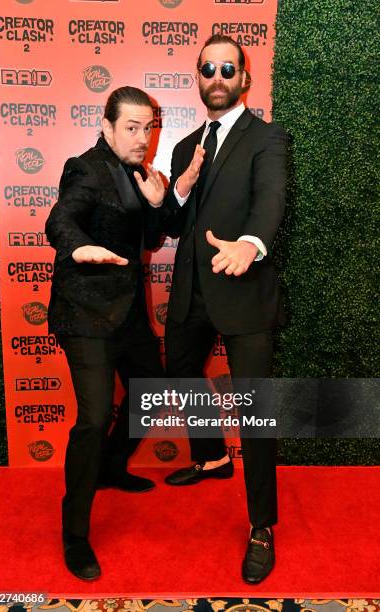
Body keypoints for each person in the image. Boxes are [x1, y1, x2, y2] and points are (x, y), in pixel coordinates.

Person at [162, 34, 288, 584]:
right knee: (179, 372)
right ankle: (212, 457)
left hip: (243, 290)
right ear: (199, 76)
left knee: (257, 413)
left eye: (227, 68)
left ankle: (262, 525)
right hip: (190, 294)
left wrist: (251, 244)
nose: (217, 76)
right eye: (208, 68)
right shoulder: (185, 142)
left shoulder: (268, 137)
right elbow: (173, 221)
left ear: (245, 78)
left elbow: (270, 199)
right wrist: (181, 191)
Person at [45, 86, 165, 581]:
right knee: (93, 418)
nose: (142, 139)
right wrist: (77, 249)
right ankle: (75, 533)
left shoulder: (140, 175)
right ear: (107, 125)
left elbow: (153, 239)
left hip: (130, 313)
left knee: (152, 394)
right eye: (131, 128)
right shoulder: (85, 168)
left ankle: (112, 468)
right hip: (86, 312)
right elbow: (61, 218)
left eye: (148, 128)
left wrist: (155, 205)